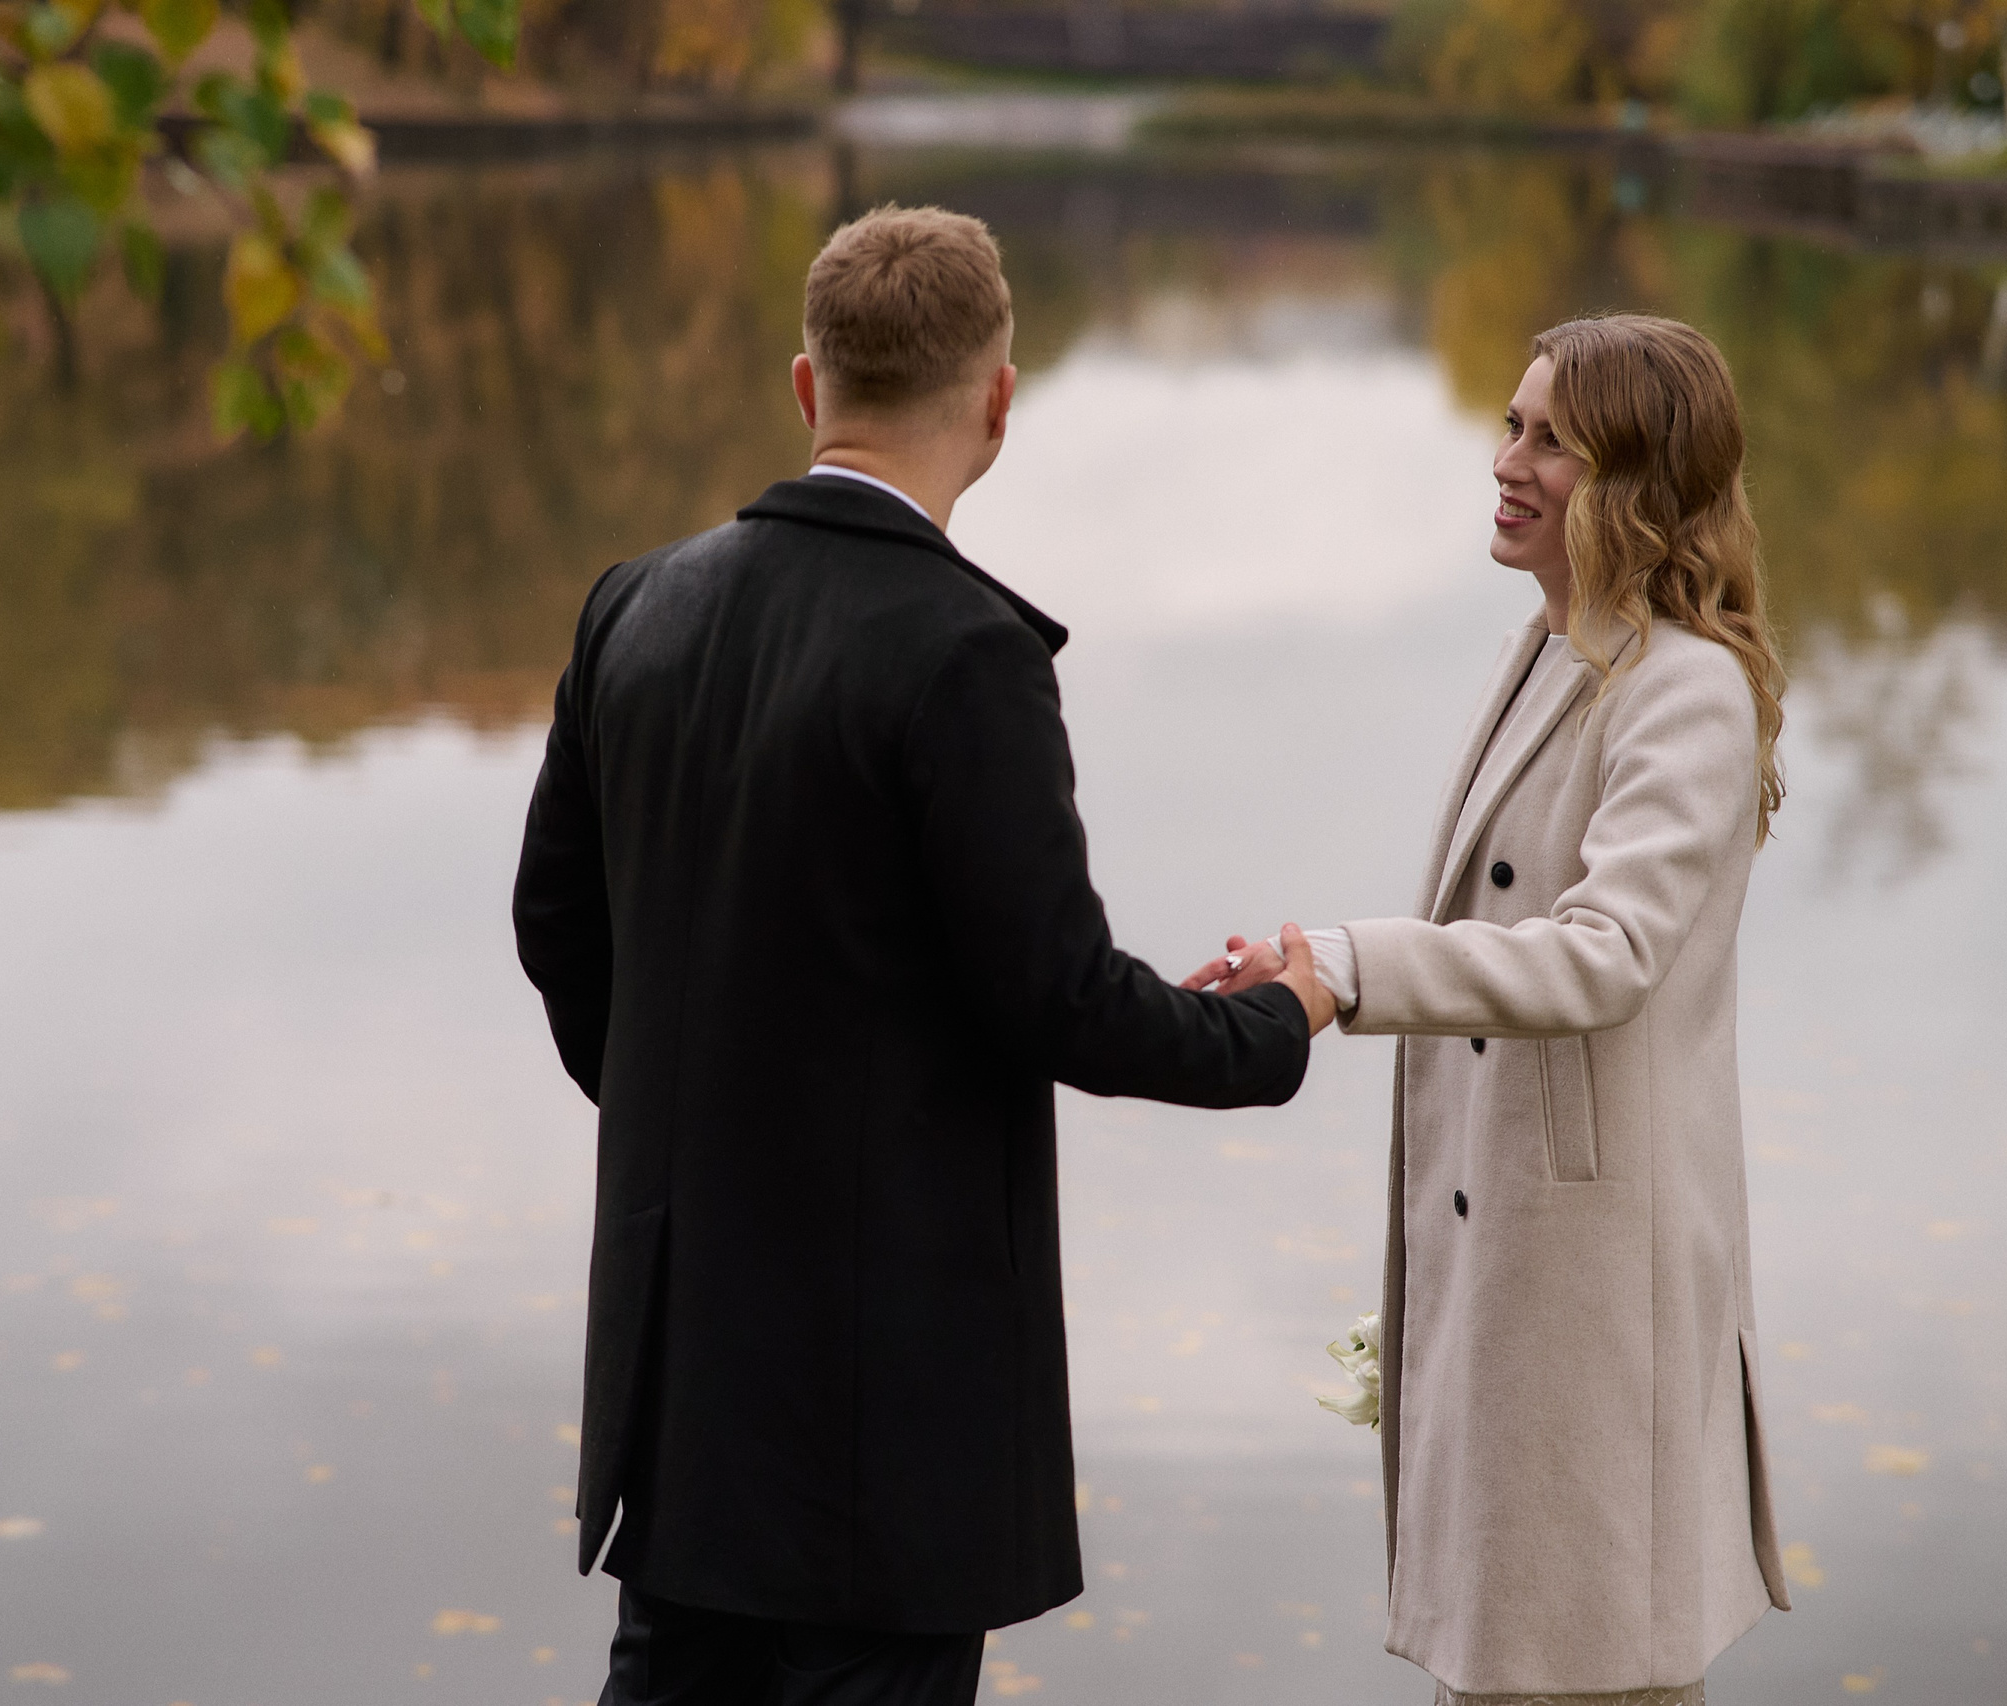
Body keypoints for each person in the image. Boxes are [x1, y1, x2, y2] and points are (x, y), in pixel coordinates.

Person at [512, 204, 1337, 1706]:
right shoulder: (964, 650)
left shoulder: (634, 605)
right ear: (1000, 403)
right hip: (879, 1441)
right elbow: (1059, 998)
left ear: (806, 386)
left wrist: (689, 1115)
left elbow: (554, 931)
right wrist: (1279, 1020)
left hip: (681, 1400)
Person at [1193, 314, 1794, 1705]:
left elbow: (1601, 953)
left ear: (1635, 481)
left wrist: (1349, 968)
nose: (1507, 460)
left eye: (1549, 440)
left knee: (1585, 1673)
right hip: (1516, 1262)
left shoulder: (1683, 688)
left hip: (1591, 1305)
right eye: (1512, 425)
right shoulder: (1554, 646)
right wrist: (1314, 956)